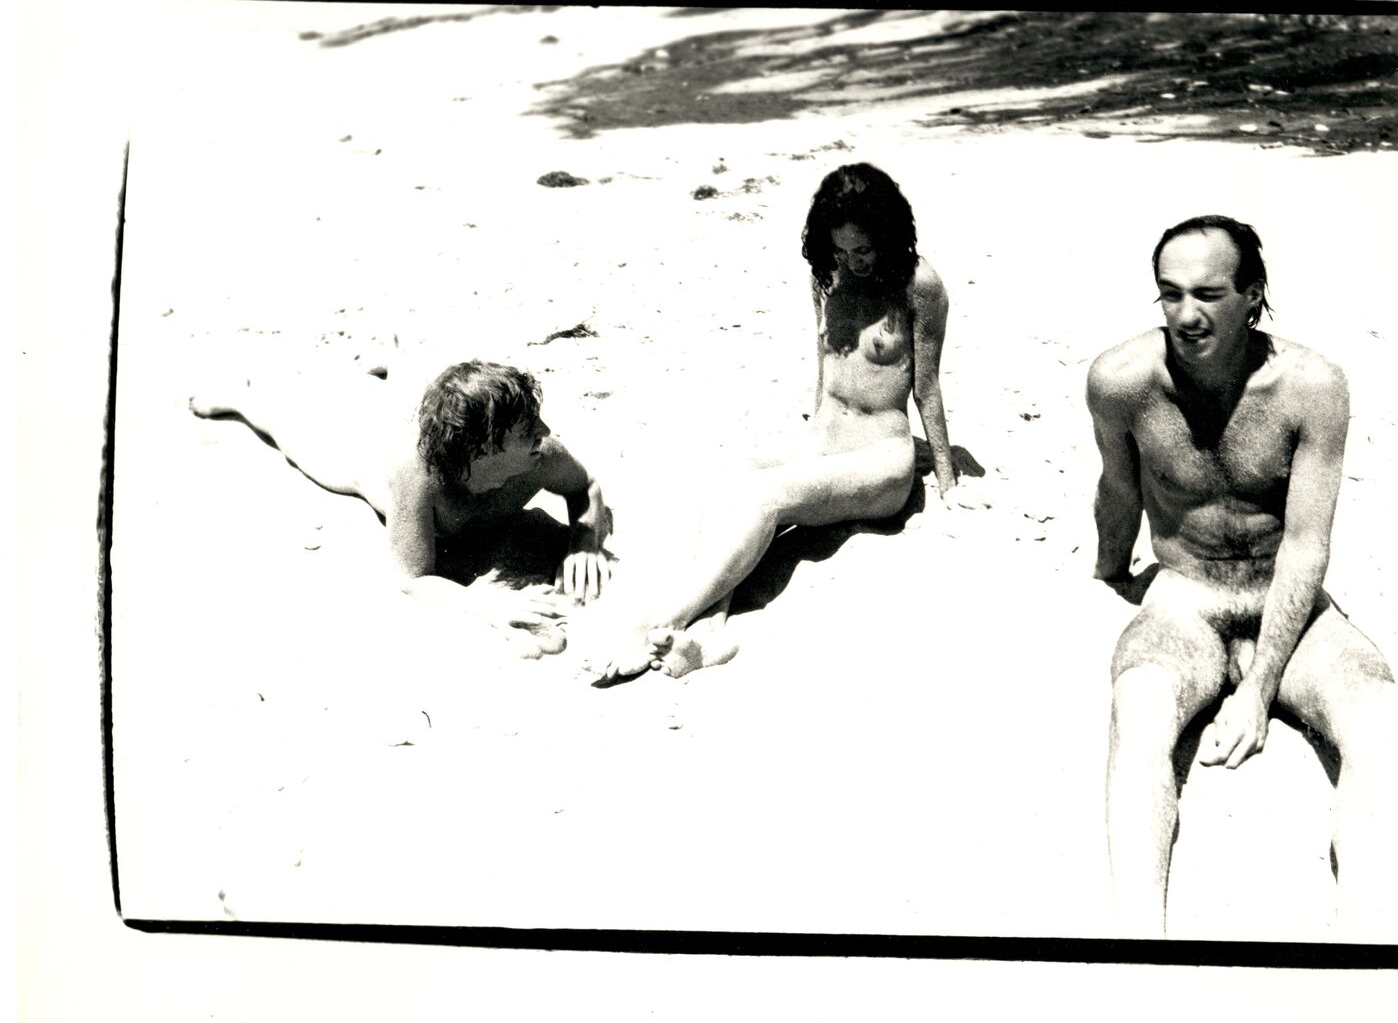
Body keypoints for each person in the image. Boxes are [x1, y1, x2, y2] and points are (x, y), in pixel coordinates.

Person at [1086, 214, 1398, 934]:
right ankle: (1140, 939)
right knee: (1138, 709)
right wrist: (1109, 573)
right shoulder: (1121, 381)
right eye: (1169, 295)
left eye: (1207, 293)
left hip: (1285, 601)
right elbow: (1119, 487)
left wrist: (1260, 689)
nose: (1185, 314)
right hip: (1186, 601)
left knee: (1383, 717)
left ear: (1253, 297)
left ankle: (1368, 941)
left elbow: (1305, 545)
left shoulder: (1312, 387)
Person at [590, 162, 983, 683]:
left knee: (765, 496)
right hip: (822, 440)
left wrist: (948, 481)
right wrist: (808, 436)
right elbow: (824, 367)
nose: (852, 261)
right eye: (841, 250)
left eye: (862, 249)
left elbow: (927, 387)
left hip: (880, 458)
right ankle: (711, 633)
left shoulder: (920, 285)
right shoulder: (828, 273)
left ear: (888, 235)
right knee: (731, 475)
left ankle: (662, 618)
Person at [190, 357, 611, 655]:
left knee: (397, 401)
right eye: (527, 429)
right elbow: (413, 577)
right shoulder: (417, 476)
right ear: (485, 449)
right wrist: (486, 604)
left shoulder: (541, 457)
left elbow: (585, 485)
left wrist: (584, 540)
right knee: (293, 432)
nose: (546, 430)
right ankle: (241, 399)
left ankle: (389, 366)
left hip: (416, 430)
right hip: (362, 454)